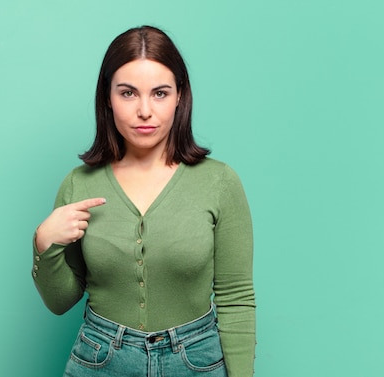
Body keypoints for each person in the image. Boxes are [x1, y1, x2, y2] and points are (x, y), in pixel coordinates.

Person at [32, 25, 255, 377]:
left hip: (196, 362)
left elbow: (235, 297)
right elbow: (61, 302)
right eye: (128, 93)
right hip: (100, 359)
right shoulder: (78, 184)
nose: (145, 111)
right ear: (107, 97)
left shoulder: (220, 182)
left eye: (160, 93)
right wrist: (44, 243)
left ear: (181, 95)